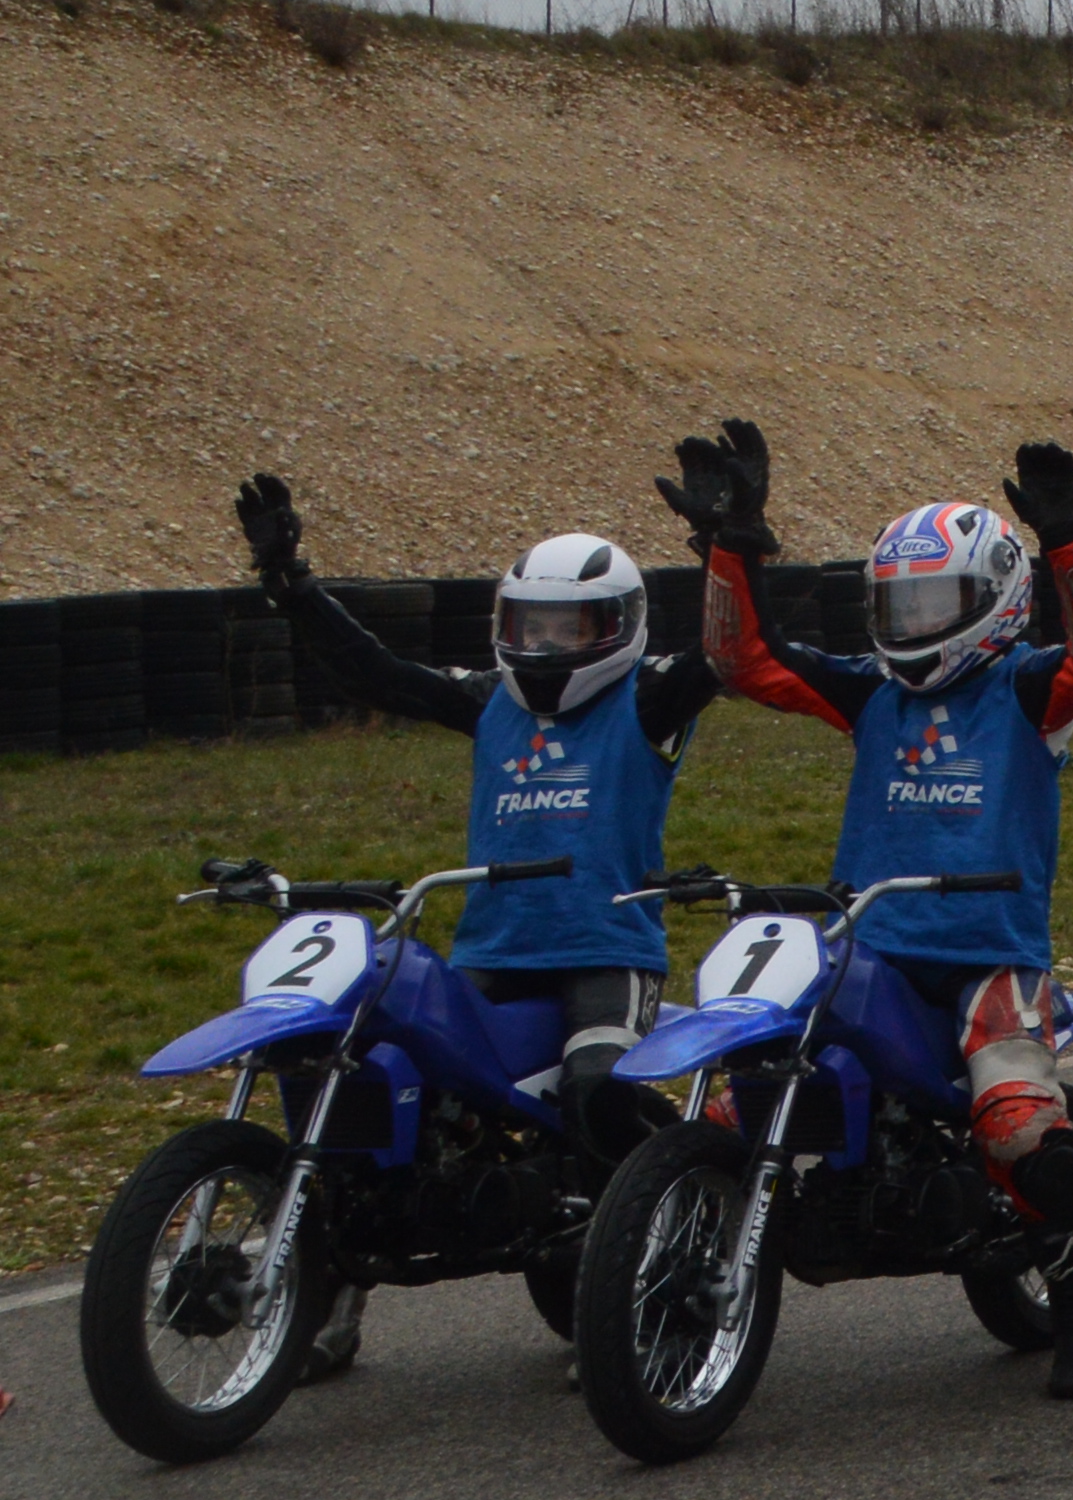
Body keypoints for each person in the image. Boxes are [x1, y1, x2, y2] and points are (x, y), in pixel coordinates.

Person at [668, 428, 1073, 1397]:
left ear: (995, 601)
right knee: (732, 1097)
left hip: (992, 962)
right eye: (900, 602)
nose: (914, 620)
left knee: (1018, 1125)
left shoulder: (1029, 690)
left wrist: (1066, 537)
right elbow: (738, 658)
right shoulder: (870, 693)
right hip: (864, 949)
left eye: (934, 601)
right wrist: (735, 539)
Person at [234, 455, 723, 1147]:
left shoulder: (647, 701)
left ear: (618, 625)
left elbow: (727, 650)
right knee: (402, 1078)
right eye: (532, 626)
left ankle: (642, 1229)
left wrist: (725, 547)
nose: (546, 643)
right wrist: (292, 586)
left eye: (570, 628)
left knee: (597, 1093)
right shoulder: (491, 699)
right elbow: (380, 675)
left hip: (607, 953)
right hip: (491, 950)